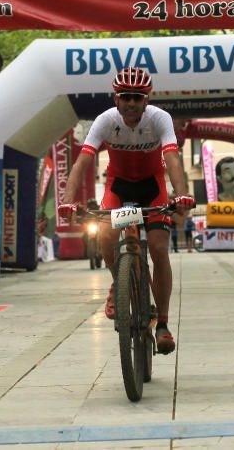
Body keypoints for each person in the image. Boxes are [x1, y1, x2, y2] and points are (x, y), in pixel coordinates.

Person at [58, 67, 194, 355]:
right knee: (106, 236)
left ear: (146, 100)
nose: (131, 103)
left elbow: (171, 157)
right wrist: (67, 200)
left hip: (152, 189)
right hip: (120, 190)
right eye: (125, 97)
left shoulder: (160, 119)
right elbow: (82, 162)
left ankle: (163, 325)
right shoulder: (105, 121)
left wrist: (181, 195)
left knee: (158, 248)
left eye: (137, 97)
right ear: (116, 99)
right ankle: (118, 282)